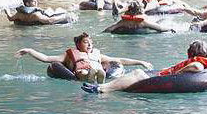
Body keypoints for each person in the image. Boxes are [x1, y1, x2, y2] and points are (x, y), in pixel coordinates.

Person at [84, 40, 207, 93]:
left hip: (172, 79)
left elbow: (196, 67)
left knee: (137, 73)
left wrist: (176, 73)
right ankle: (103, 87)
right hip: (173, 78)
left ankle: (102, 89)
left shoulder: (199, 62)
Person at [18, 32, 152, 82]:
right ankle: (92, 76)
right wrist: (29, 50)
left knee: (99, 70)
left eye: (91, 42)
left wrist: (140, 62)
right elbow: (46, 58)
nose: (89, 45)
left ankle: (99, 76)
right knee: (84, 72)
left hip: (98, 70)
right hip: (82, 73)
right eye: (86, 42)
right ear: (78, 44)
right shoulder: (69, 55)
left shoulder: (97, 54)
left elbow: (120, 60)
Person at [105, 0, 176, 34]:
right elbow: (160, 28)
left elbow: (110, 29)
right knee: (162, 20)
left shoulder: (124, 21)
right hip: (143, 29)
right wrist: (170, 29)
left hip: (128, 30)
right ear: (140, 11)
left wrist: (103, 32)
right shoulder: (142, 21)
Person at [5, 0, 71, 25]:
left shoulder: (19, 14)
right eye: (34, 1)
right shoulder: (36, 14)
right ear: (27, 4)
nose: (36, 2)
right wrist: (64, 17)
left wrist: (7, 12)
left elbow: (10, 18)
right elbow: (49, 21)